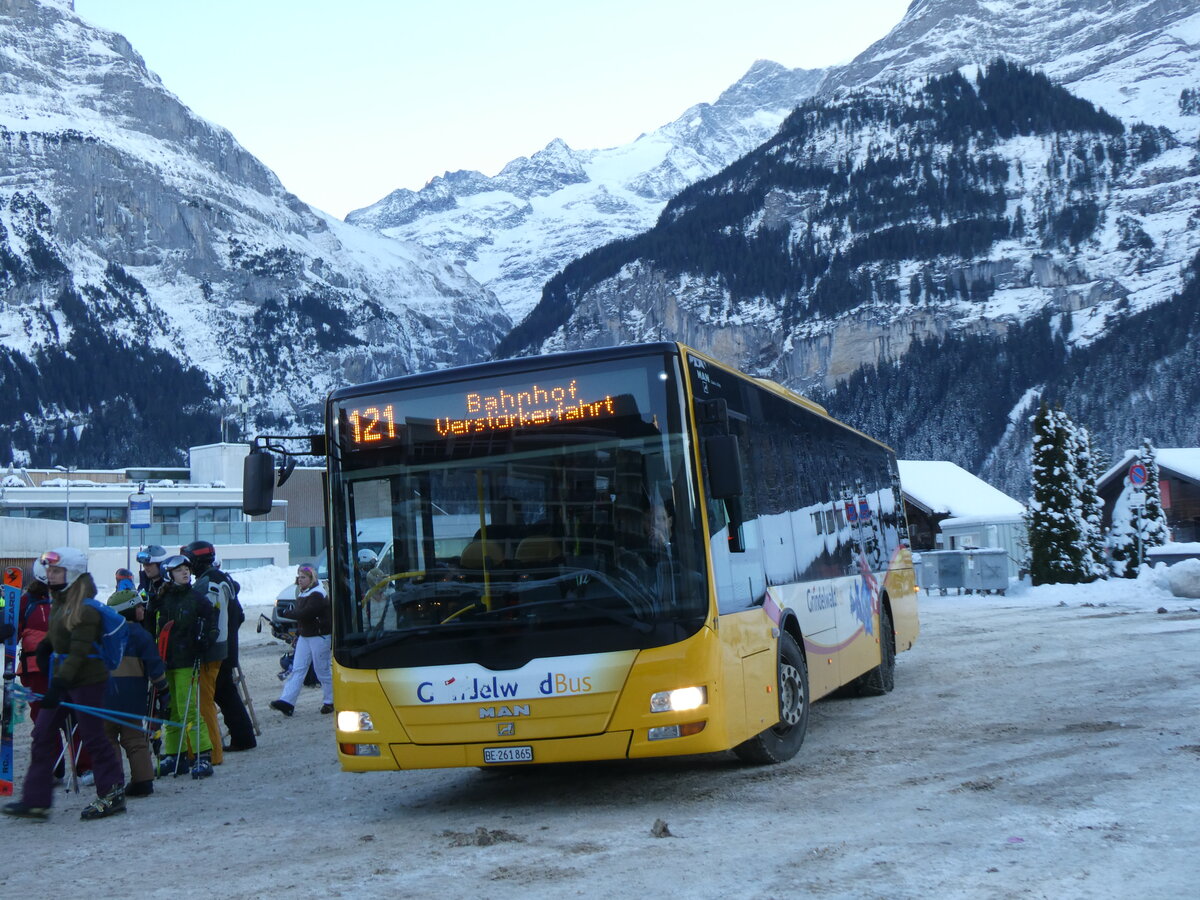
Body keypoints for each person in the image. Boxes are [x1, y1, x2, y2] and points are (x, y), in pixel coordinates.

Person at [3, 548, 126, 821]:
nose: (50, 574)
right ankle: (36, 801)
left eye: (56, 570)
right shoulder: (60, 600)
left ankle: (112, 793)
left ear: (71, 573)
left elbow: (79, 652)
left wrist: (58, 684)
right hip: (63, 679)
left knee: (93, 737)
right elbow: (61, 637)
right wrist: (47, 647)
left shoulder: (86, 608)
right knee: (42, 735)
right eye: (49, 570)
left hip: (87, 681)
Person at [182, 540, 255, 755]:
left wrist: (211, 639)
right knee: (226, 693)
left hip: (216, 649)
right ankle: (243, 736)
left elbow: (207, 618)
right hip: (226, 646)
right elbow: (239, 615)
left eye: (188, 560)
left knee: (223, 694)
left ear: (196, 560)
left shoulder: (208, 584)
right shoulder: (222, 578)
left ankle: (241, 738)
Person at [154, 555, 216, 778]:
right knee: (169, 709)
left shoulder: (197, 598)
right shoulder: (163, 598)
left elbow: (211, 623)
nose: (185, 573)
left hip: (186, 660)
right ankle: (174, 756)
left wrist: (205, 639)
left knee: (188, 708)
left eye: (186, 569)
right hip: (165, 661)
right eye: (179, 570)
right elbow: (155, 626)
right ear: (169, 574)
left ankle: (202, 755)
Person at [103, 587, 169, 796]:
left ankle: (113, 783)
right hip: (133, 697)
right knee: (134, 739)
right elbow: (154, 667)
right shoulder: (142, 635)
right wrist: (163, 689)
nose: (143, 609)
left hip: (106, 696)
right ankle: (143, 781)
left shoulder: (104, 635)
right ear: (129, 610)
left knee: (108, 739)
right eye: (140, 606)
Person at [270, 563, 333, 716]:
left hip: (319, 636)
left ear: (311, 578)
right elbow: (303, 617)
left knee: (321, 670)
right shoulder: (305, 592)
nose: (300, 580)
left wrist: (287, 613)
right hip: (307, 636)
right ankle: (287, 702)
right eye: (299, 577)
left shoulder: (317, 594)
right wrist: (298, 633)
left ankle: (330, 701)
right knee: (298, 668)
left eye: (303, 577)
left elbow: (306, 614)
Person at [136, 545, 170, 637]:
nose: (145, 568)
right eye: (144, 564)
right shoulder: (144, 585)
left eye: (149, 564)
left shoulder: (170, 587)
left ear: (161, 565)